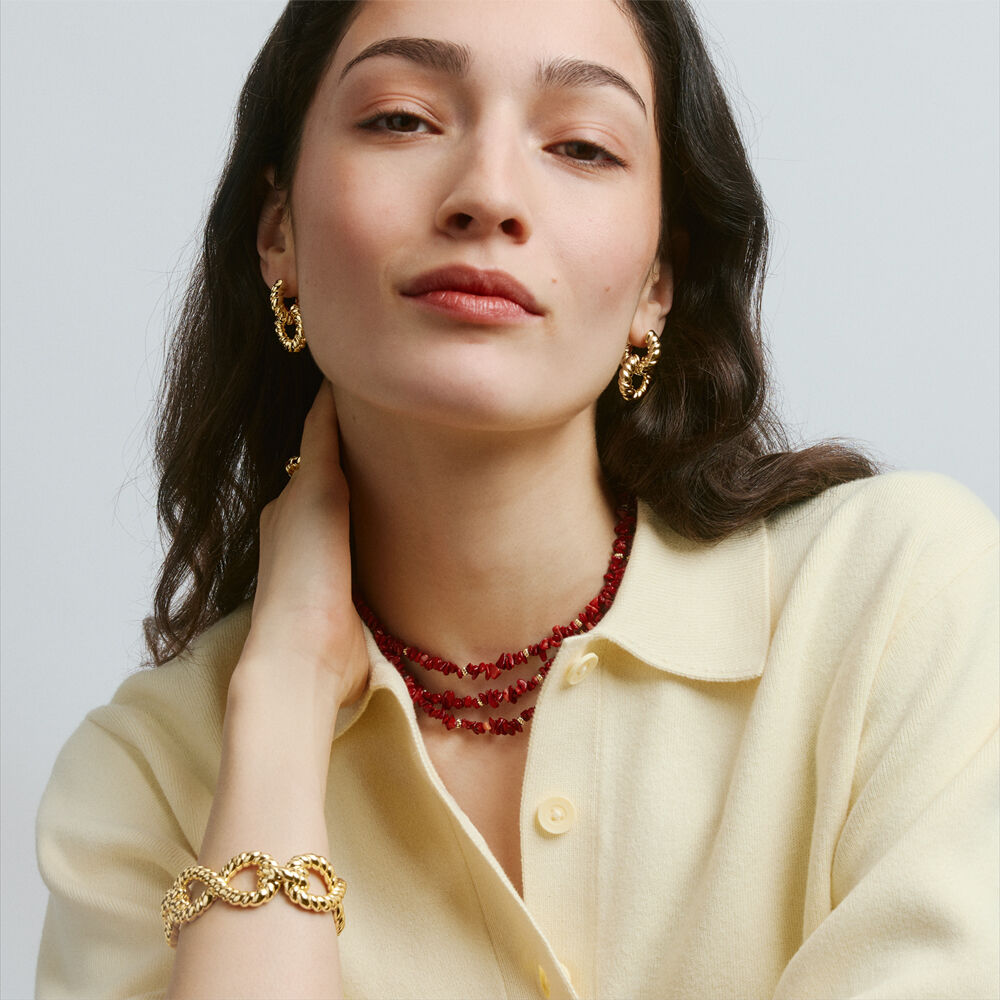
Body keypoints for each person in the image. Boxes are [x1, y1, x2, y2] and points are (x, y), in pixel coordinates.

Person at [35, 1, 998, 997]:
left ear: (658, 282)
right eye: (402, 119)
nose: (488, 196)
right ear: (276, 231)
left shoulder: (898, 607)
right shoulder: (145, 778)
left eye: (581, 146)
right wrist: (279, 703)